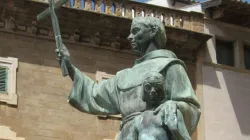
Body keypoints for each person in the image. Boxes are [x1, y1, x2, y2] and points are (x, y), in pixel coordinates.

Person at [56, 17, 200, 140]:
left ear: (153, 32)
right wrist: (70, 68)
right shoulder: (124, 75)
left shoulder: (171, 66)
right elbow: (95, 93)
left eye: (135, 31)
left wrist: (174, 106)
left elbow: (191, 109)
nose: (129, 37)